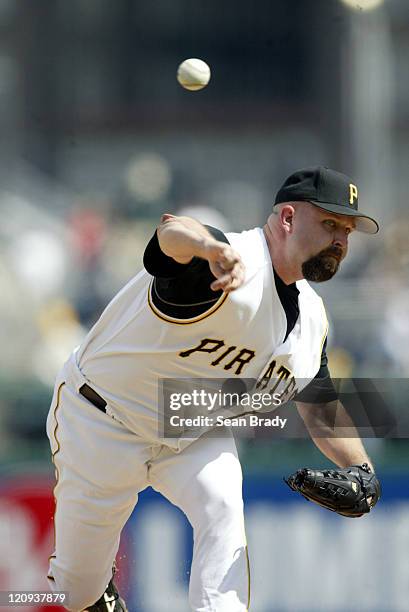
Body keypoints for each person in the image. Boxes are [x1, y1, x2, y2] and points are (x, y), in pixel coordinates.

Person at [46, 166, 380, 611]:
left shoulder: (312, 319)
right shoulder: (226, 260)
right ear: (286, 218)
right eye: (329, 223)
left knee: (222, 508)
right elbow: (170, 234)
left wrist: (363, 470)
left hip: (188, 423)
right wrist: (207, 247)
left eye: (347, 230)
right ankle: (94, 592)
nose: (341, 239)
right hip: (102, 419)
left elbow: (319, 407)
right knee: (75, 593)